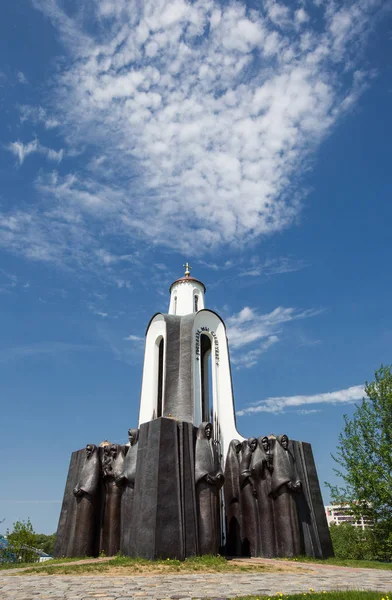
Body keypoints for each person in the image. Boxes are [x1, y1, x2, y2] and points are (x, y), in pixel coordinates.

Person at [195, 422, 224, 554]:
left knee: (214, 517)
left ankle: (214, 549)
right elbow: (197, 465)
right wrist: (204, 475)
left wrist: (219, 475)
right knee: (205, 516)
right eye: (206, 429)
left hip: (213, 487)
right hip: (203, 487)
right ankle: (205, 548)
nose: (208, 431)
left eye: (210, 429)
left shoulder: (213, 446)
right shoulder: (199, 444)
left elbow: (217, 465)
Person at [271, 434, 302, 557]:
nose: (285, 443)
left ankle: (296, 551)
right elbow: (278, 472)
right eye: (282, 441)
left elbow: (294, 470)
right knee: (285, 519)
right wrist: (286, 482)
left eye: (286, 441)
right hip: (283, 490)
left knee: (293, 518)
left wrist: (297, 481)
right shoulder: (277, 454)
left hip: (291, 489)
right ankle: (288, 550)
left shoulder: (289, 454)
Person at [69, 444, 100, 556]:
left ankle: (84, 551)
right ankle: (77, 551)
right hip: (81, 496)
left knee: (85, 523)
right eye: (86, 450)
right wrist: (76, 487)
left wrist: (83, 489)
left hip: (88, 497)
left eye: (89, 450)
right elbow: (82, 477)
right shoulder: (86, 463)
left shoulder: (95, 462)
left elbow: (93, 480)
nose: (87, 452)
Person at [118, 429, 139, 555]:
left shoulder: (137, 449)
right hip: (127, 488)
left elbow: (135, 467)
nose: (129, 437)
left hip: (132, 487)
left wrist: (125, 475)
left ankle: (130, 547)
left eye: (131, 435)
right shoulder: (131, 449)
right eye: (128, 435)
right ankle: (125, 548)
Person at [101, 443, 124, 556]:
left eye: (114, 450)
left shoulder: (120, 459)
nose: (113, 453)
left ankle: (114, 550)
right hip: (109, 492)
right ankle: (106, 549)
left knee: (114, 519)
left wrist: (109, 472)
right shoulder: (109, 460)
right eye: (111, 451)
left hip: (116, 492)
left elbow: (119, 474)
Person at [239, 437, 260, 556]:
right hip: (247, 485)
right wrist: (252, 483)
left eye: (255, 443)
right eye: (252, 443)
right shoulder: (247, 453)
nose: (254, 445)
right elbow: (243, 471)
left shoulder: (252, 453)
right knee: (252, 512)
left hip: (251, 484)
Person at [224, 439, 242, 556]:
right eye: (236, 447)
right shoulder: (231, 458)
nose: (237, 449)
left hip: (238, 495)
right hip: (233, 496)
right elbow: (232, 477)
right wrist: (235, 493)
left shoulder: (237, 457)